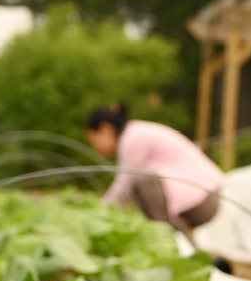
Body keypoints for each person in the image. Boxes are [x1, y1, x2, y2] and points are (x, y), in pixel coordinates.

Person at [84, 103, 226, 240]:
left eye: (93, 139)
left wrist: (97, 214)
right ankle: (173, 239)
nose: (95, 147)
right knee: (139, 181)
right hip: (203, 196)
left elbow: (123, 187)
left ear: (105, 128)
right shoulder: (135, 132)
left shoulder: (133, 138)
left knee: (142, 178)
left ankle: (172, 239)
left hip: (203, 201)